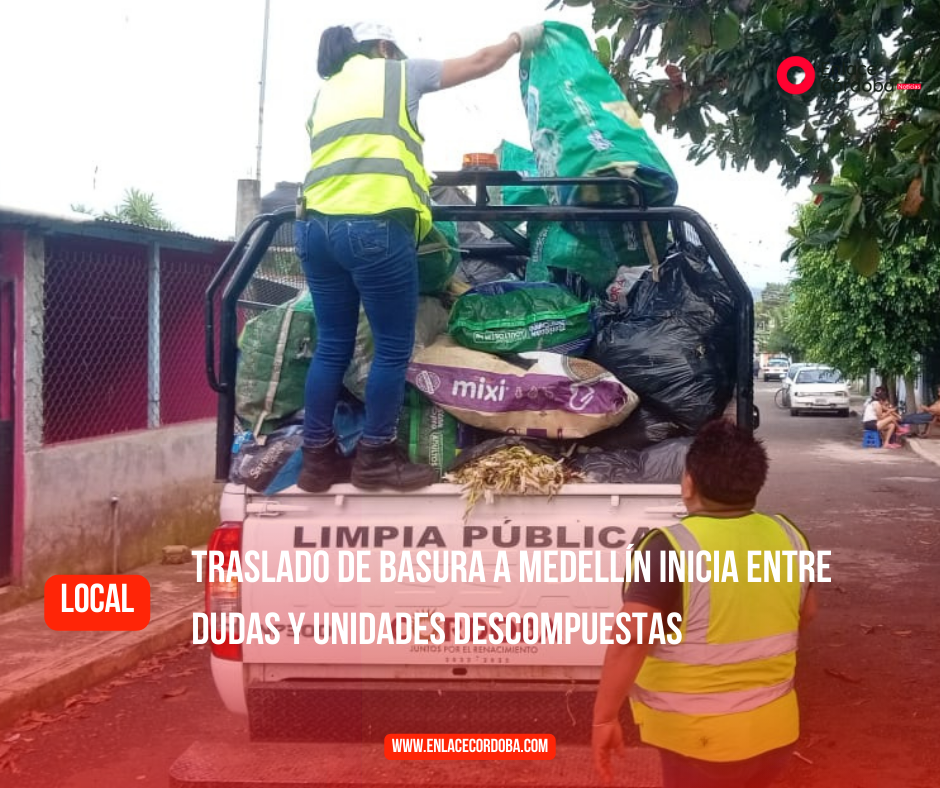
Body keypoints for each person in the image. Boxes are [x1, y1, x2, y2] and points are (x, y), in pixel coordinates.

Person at [294, 21, 544, 493]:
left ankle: (316, 461)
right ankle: (375, 458)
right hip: (374, 226)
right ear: (385, 47)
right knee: (392, 347)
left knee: (331, 346)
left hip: (312, 229)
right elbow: (479, 61)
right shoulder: (398, 73)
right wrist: (518, 40)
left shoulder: (324, 93)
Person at [592, 419, 818, 788]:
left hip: (697, 738)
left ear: (688, 483)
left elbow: (631, 639)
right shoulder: (789, 535)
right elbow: (806, 613)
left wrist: (603, 718)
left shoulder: (669, 546)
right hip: (776, 731)